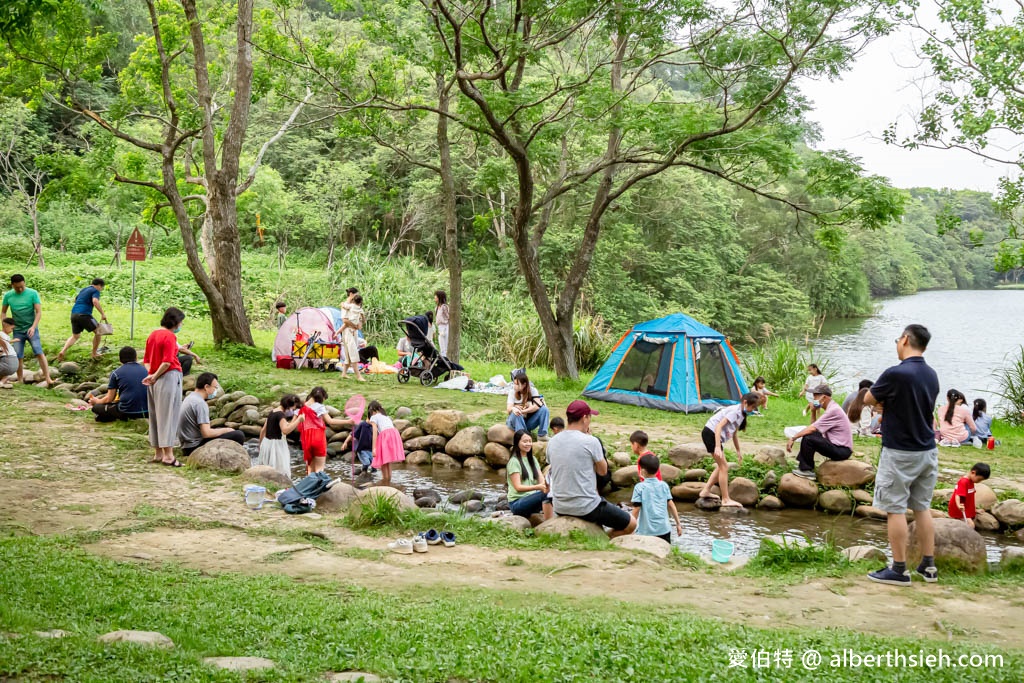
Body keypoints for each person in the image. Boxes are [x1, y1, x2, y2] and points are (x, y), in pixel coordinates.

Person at [864, 324, 940, 586]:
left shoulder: (896, 374)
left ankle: (898, 569)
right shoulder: (931, 374)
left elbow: (868, 399)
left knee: (894, 509)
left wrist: (883, 402)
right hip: (927, 450)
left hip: (900, 451)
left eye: (899, 339)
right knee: (922, 507)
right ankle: (928, 566)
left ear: (905, 339)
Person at [546, 400, 637, 538]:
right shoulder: (591, 441)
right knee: (631, 523)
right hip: (586, 506)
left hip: (559, 505)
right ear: (584, 418)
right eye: (590, 417)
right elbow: (602, 471)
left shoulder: (552, 441)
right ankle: (603, 539)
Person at [697, 393, 761, 507]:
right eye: (752, 407)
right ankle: (726, 499)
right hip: (710, 434)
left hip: (713, 435)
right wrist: (717, 446)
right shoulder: (734, 412)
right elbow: (718, 427)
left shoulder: (741, 414)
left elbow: (734, 433)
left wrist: (738, 451)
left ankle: (705, 490)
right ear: (745, 403)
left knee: (721, 466)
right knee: (724, 467)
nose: (753, 410)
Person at [142, 307, 186, 467]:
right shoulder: (169, 336)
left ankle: (158, 452)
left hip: (153, 379)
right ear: (175, 322)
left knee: (154, 415)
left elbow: (146, 359)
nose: (181, 325)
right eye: (180, 322)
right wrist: (156, 375)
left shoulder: (153, 335)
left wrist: (151, 375)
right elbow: (167, 362)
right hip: (168, 377)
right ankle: (169, 455)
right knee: (168, 415)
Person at [786, 385, 853, 480]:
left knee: (809, 438)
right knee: (809, 435)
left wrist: (793, 438)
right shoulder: (831, 408)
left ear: (824, 397)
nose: (814, 399)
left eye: (815, 396)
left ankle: (806, 470)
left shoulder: (833, 411)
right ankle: (803, 466)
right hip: (838, 447)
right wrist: (813, 412)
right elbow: (814, 427)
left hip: (842, 450)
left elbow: (812, 428)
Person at [2, 274, 54, 386]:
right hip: (17, 331)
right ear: (12, 285)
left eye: (22, 286)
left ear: (24, 283)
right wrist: (5, 326)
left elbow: (38, 312)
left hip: (31, 329)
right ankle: (20, 380)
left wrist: (33, 327)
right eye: (17, 287)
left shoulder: (33, 293)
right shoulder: (8, 296)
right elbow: (3, 312)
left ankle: (48, 378)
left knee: (39, 352)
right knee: (18, 355)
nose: (20, 289)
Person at [178, 372, 246, 457]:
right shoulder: (200, 403)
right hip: (194, 447)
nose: (216, 391)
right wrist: (227, 430)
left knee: (219, 429)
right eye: (215, 387)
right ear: (206, 387)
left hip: (186, 445)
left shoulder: (190, 397)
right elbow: (206, 433)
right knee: (239, 435)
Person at [631, 454, 682, 543]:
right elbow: (671, 505)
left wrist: (630, 529)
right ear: (658, 470)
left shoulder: (639, 487)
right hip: (664, 529)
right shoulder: (664, 485)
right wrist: (678, 524)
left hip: (647, 531)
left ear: (642, 471)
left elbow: (636, 510)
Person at [88, 346, 149, 422]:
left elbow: (109, 399)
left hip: (126, 411)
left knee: (96, 408)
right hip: (147, 411)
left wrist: (96, 401)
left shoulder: (116, 373)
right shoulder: (146, 370)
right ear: (136, 358)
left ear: (120, 359)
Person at [299, 387, 350, 475]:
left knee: (310, 467)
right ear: (322, 397)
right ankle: (319, 486)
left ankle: (309, 486)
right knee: (319, 468)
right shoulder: (320, 407)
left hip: (306, 437)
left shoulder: (301, 406)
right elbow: (330, 421)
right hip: (318, 437)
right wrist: (348, 421)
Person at [56, 278, 108, 362]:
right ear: (99, 285)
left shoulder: (84, 289)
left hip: (74, 314)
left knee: (75, 336)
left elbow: (76, 299)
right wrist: (102, 313)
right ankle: (94, 353)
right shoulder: (95, 291)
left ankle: (63, 351)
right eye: (102, 288)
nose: (101, 290)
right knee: (99, 332)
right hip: (84, 314)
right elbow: (95, 301)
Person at [506, 430, 549, 518]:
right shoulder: (514, 462)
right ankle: (549, 521)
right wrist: (537, 487)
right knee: (546, 494)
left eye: (530, 441)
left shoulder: (532, 459)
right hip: (517, 503)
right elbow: (518, 487)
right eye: (525, 441)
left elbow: (541, 481)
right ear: (517, 443)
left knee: (552, 491)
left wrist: (547, 485)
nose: (528, 444)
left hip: (531, 498)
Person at [258, 394, 302, 478]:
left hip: (267, 443)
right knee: (279, 471)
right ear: (288, 406)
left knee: (267, 469)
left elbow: (263, 430)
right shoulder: (280, 415)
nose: (293, 410)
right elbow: (285, 430)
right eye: (293, 408)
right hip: (277, 445)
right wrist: (299, 420)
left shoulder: (273, 411)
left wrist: (260, 445)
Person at [505, 369, 550, 439]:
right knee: (517, 413)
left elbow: (537, 406)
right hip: (515, 422)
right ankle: (522, 436)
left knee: (544, 409)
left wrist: (524, 411)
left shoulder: (533, 390)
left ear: (524, 385)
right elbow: (508, 409)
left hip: (528, 421)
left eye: (517, 384)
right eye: (514, 383)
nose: (514, 386)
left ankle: (542, 435)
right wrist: (513, 408)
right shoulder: (512, 392)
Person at [368, 400, 405, 485]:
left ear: (371, 410)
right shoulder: (385, 416)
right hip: (394, 434)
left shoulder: (374, 417)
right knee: (387, 461)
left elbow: (374, 433)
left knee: (383, 461)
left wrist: (374, 448)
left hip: (385, 435)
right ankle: (388, 481)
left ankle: (385, 481)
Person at [947, 463, 991, 529]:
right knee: (971, 525)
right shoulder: (963, 482)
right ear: (973, 472)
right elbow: (958, 495)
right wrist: (959, 505)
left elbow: (969, 497)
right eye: (979, 479)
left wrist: (974, 510)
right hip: (960, 509)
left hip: (966, 508)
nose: (979, 482)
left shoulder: (971, 481)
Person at [340, 295, 366, 382]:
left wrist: (342, 304)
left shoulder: (350, 306)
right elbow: (363, 320)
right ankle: (358, 376)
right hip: (349, 332)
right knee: (353, 353)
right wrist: (359, 322)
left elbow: (343, 305)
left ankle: (344, 373)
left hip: (352, 331)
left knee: (349, 354)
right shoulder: (360, 309)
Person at [0, 317, 17, 388]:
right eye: (12, 329)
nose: (12, 331)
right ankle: (2, 381)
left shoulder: (1, 335)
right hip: (14, 365)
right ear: (6, 326)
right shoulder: (3, 335)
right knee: (5, 373)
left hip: (8, 362)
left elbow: (1, 351)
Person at [434, 289, 450, 358]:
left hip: (445, 326)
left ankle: (445, 358)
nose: (435, 298)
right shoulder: (437, 308)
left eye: (436, 297)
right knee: (441, 344)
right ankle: (443, 357)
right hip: (440, 327)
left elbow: (448, 317)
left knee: (444, 344)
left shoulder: (444, 307)